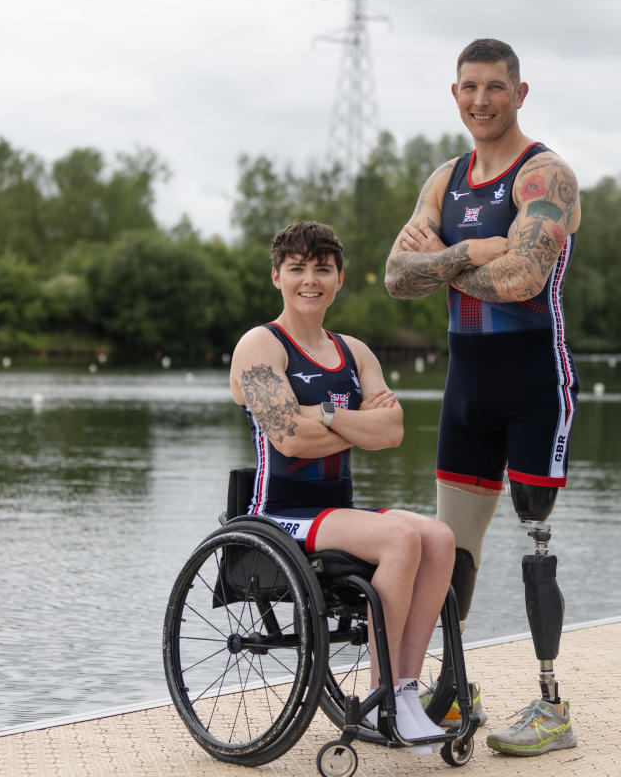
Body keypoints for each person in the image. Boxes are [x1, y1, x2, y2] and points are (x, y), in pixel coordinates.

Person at [383, 38, 581, 756]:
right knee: (449, 550)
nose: (480, 101)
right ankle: (453, 688)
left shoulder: (546, 176)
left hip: (534, 383)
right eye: (468, 87)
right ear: (454, 92)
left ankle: (551, 706)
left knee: (535, 541)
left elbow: (524, 279)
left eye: (495, 87)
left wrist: (436, 264)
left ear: (519, 94)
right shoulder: (446, 179)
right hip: (465, 385)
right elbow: (394, 277)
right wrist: (470, 252)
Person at [231, 219, 456, 754]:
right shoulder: (260, 346)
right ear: (277, 277)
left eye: (322, 270)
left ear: (339, 279)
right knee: (400, 539)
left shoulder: (354, 351)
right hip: (281, 515)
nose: (310, 280)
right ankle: (382, 700)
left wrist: (326, 413)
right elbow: (289, 440)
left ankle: (404, 689)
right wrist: (355, 422)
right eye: (297, 269)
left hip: (338, 515)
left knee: (440, 538)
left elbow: (394, 430)